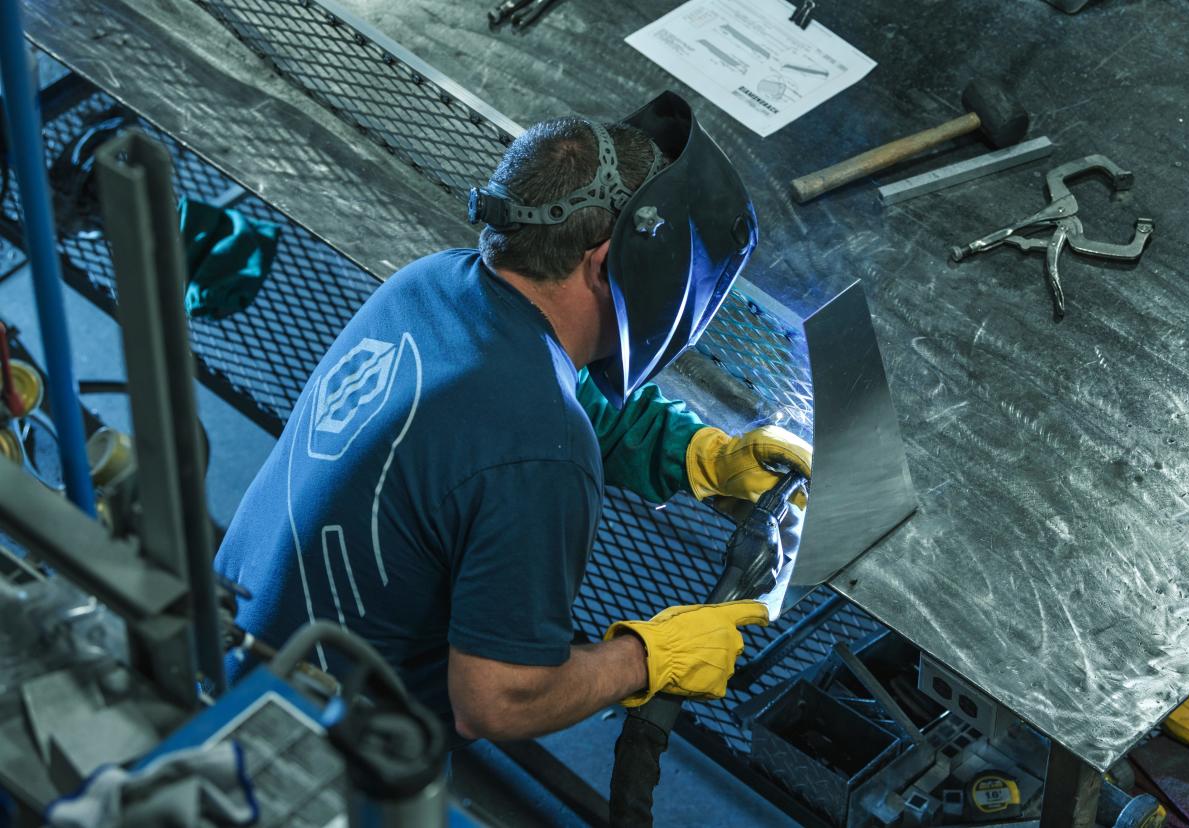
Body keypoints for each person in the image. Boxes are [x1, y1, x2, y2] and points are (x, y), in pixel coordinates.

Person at [214, 91, 811, 742]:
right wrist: (648, 657)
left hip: (218, 657)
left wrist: (696, 455)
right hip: (306, 756)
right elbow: (499, 703)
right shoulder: (545, 450)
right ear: (611, 262)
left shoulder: (434, 283)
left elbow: (529, 403)